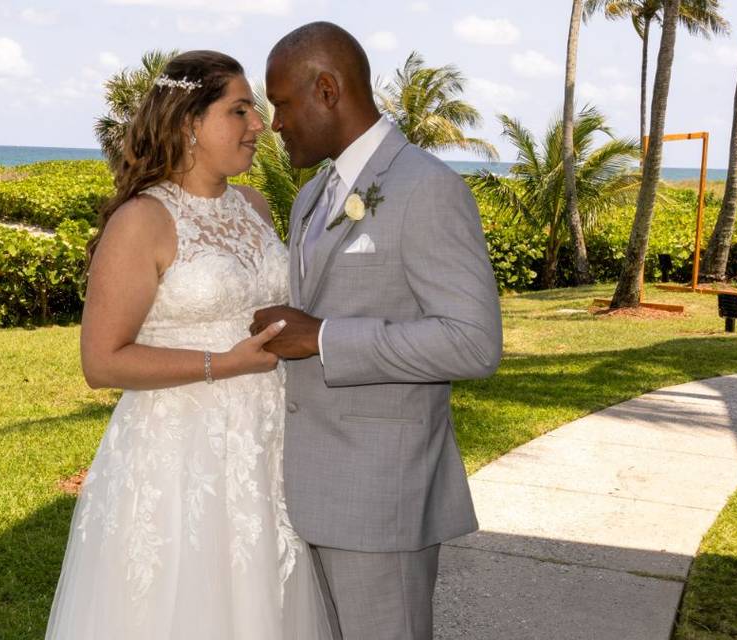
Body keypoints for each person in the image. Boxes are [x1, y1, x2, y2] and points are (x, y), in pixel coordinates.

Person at [45, 50, 332, 640]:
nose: (260, 126)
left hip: (267, 443)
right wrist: (222, 364)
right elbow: (102, 361)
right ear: (188, 124)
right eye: (241, 110)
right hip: (179, 452)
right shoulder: (143, 221)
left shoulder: (253, 207)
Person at [251, 22, 503, 640]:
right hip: (305, 491)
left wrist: (324, 337)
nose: (274, 124)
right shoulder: (309, 196)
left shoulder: (428, 189)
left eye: (282, 103)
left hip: (381, 497)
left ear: (328, 90)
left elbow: (474, 341)